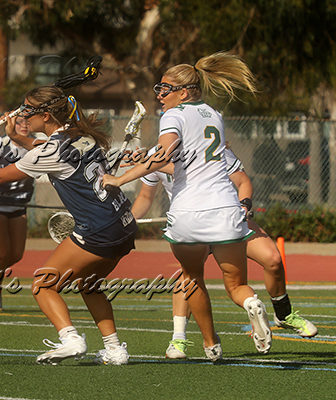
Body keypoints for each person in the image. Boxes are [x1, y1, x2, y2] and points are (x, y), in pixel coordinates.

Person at [0, 86, 137, 366]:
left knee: (43, 285)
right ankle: (114, 349)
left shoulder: (51, 149)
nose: (22, 115)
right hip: (124, 222)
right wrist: (17, 138)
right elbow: (46, 151)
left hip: (98, 228)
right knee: (89, 285)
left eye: (27, 110)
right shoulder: (80, 134)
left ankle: (71, 339)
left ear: (46, 116)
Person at [102, 51, 272, 362]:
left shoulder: (173, 115)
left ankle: (210, 344)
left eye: (165, 89)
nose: (160, 94)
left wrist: (120, 178)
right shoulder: (214, 114)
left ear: (183, 92)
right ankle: (251, 304)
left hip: (187, 214)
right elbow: (188, 156)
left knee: (192, 279)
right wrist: (144, 160)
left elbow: (164, 155)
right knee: (237, 285)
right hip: (225, 208)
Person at [131, 146, 318, 359]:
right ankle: (178, 339)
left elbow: (242, 181)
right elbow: (145, 196)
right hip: (192, 223)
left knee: (273, 259)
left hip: (226, 220)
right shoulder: (158, 153)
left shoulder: (212, 147)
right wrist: (129, 219)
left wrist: (244, 205)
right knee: (188, 276)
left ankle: (284, 314)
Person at [0, 116, 35, 313]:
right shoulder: (0, 144)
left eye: (27, 121)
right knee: (2, 254)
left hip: (19, 205)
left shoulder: (36, 146)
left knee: (15, 255)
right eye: (19, 122)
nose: (24, 125)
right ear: (9, 124)